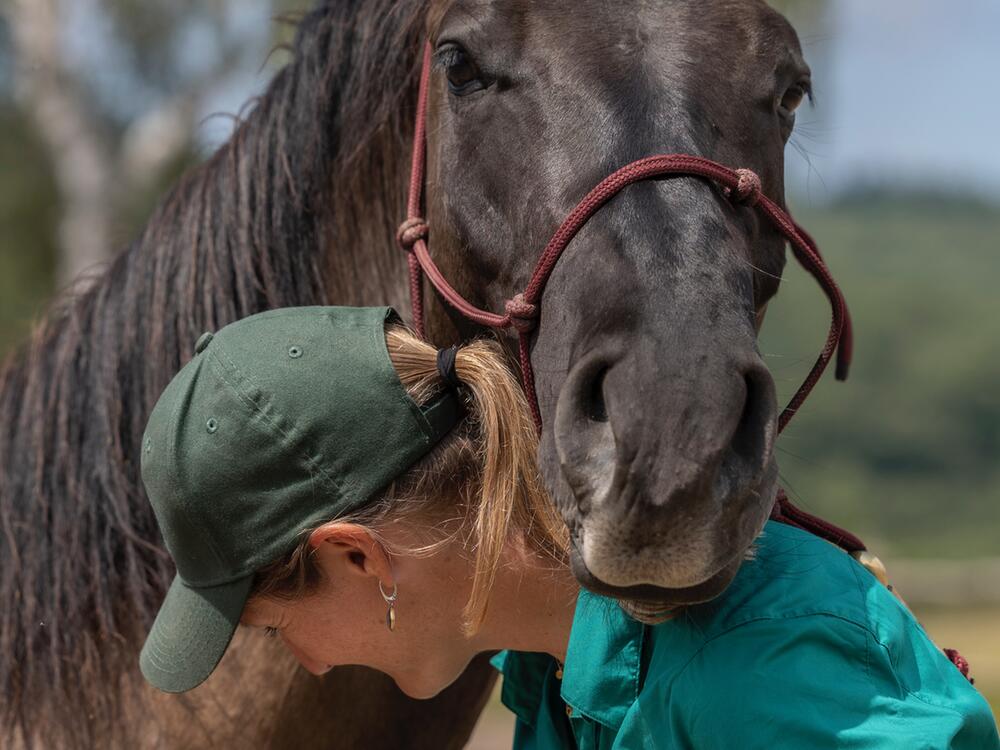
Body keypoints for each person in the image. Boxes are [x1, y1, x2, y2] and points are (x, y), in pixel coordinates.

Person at [139, 305, 998, 749]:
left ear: (358, 556)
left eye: (277, 626)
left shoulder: (751, 665)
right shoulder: (547, 665)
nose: (311, 664)